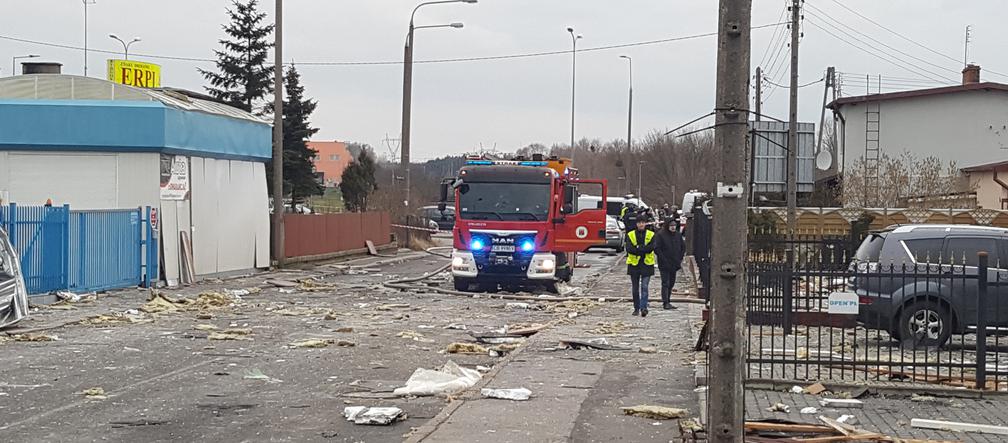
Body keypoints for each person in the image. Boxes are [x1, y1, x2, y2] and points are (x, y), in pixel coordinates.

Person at [625, 214, 656, 317]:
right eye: (639, 223)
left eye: (643, 222)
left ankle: (643, 308)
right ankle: (636, 308)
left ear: (645, 223)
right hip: (634, 265)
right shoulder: (630, 234)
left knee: (645, 287)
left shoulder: (651, 234)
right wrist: (642, 249)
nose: (641, 224)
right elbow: (629, 249)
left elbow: (651, 248)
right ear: (636, 224)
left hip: (647, 264)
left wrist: (638, 248)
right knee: (635, 288)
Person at [655, 216, 686, 310]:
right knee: (665, 282)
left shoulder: (677, 235)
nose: (673, 227)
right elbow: (657, 249)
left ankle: (668, 299)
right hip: (664, 263)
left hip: (674, 263)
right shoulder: (660, 235)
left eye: (674, 225)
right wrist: (663, 259)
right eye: (671, 225)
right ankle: (665, 302)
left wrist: (679, 258)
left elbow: (682, 247)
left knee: (672, 282)